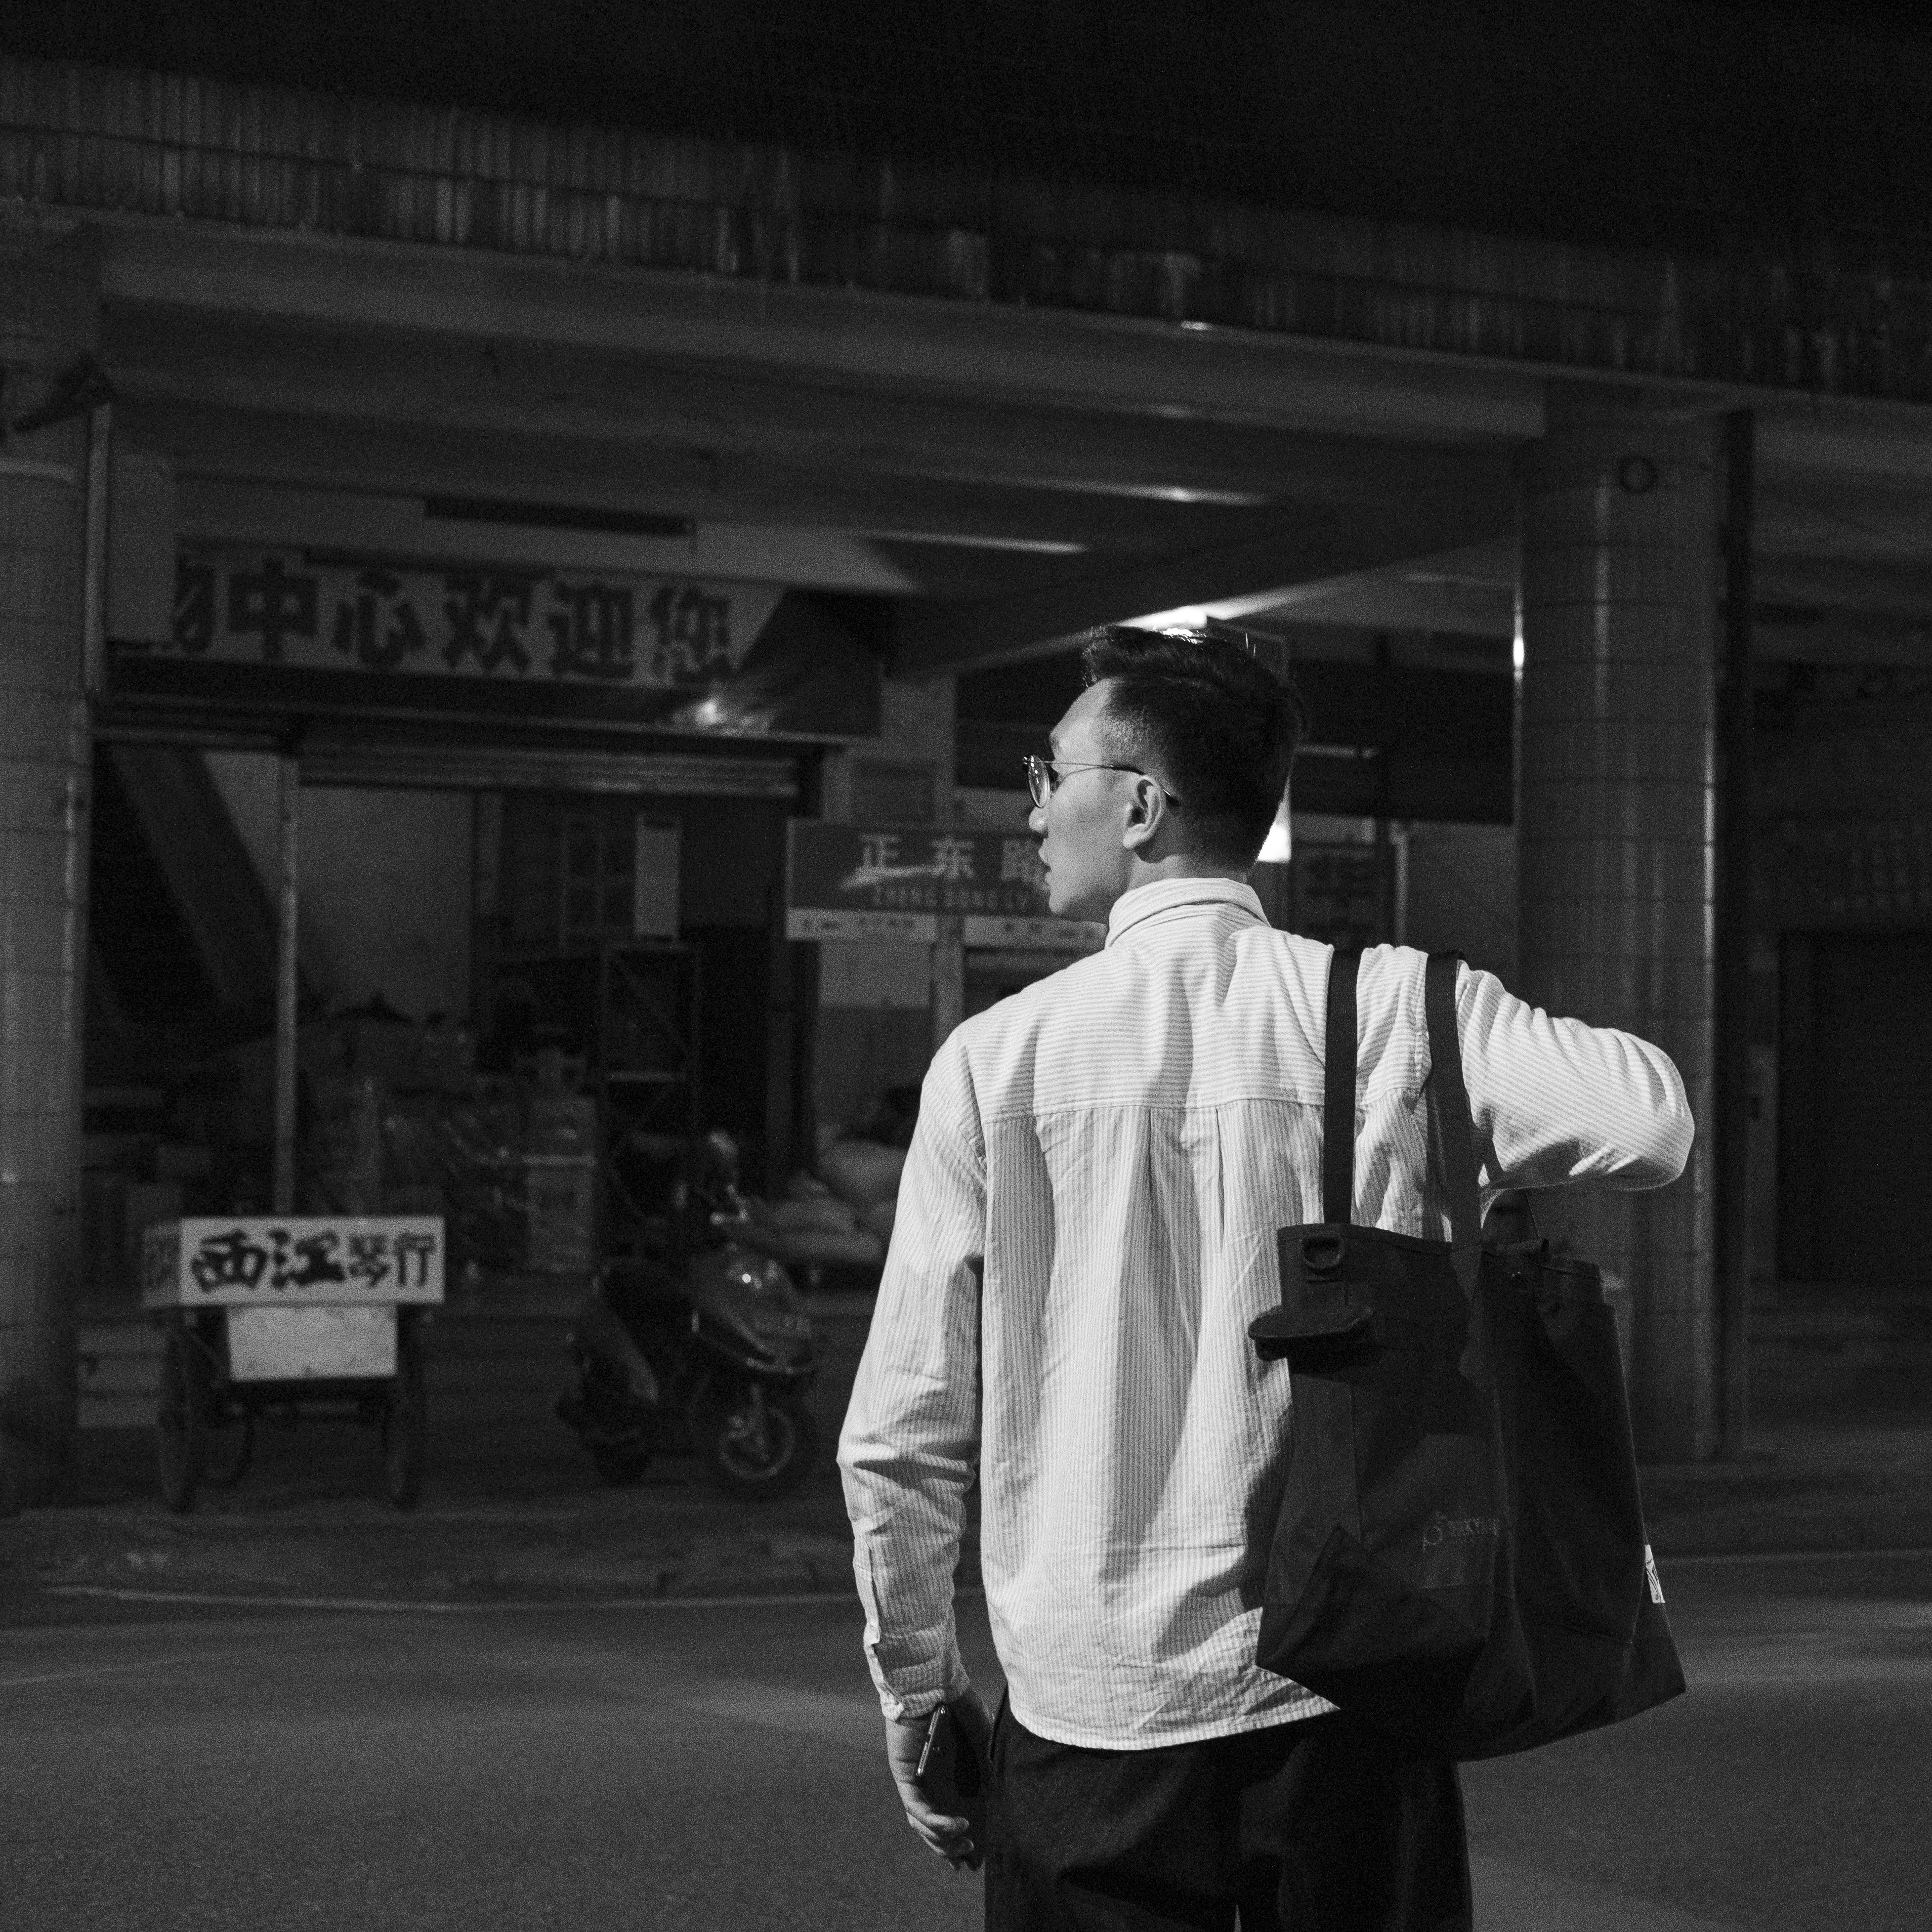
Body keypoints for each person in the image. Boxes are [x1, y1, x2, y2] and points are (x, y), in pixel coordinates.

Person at [838, 626, 1693, 1931]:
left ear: (1141, 804)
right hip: (1352, 1679)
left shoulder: (995, 1062)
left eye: (1049, 772)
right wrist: (1445, 1154)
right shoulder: (1394, 1009)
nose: (1033, 810)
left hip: (1090, 1708)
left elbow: (904, 1431)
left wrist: (915, 1687)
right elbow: (1652, 1123)